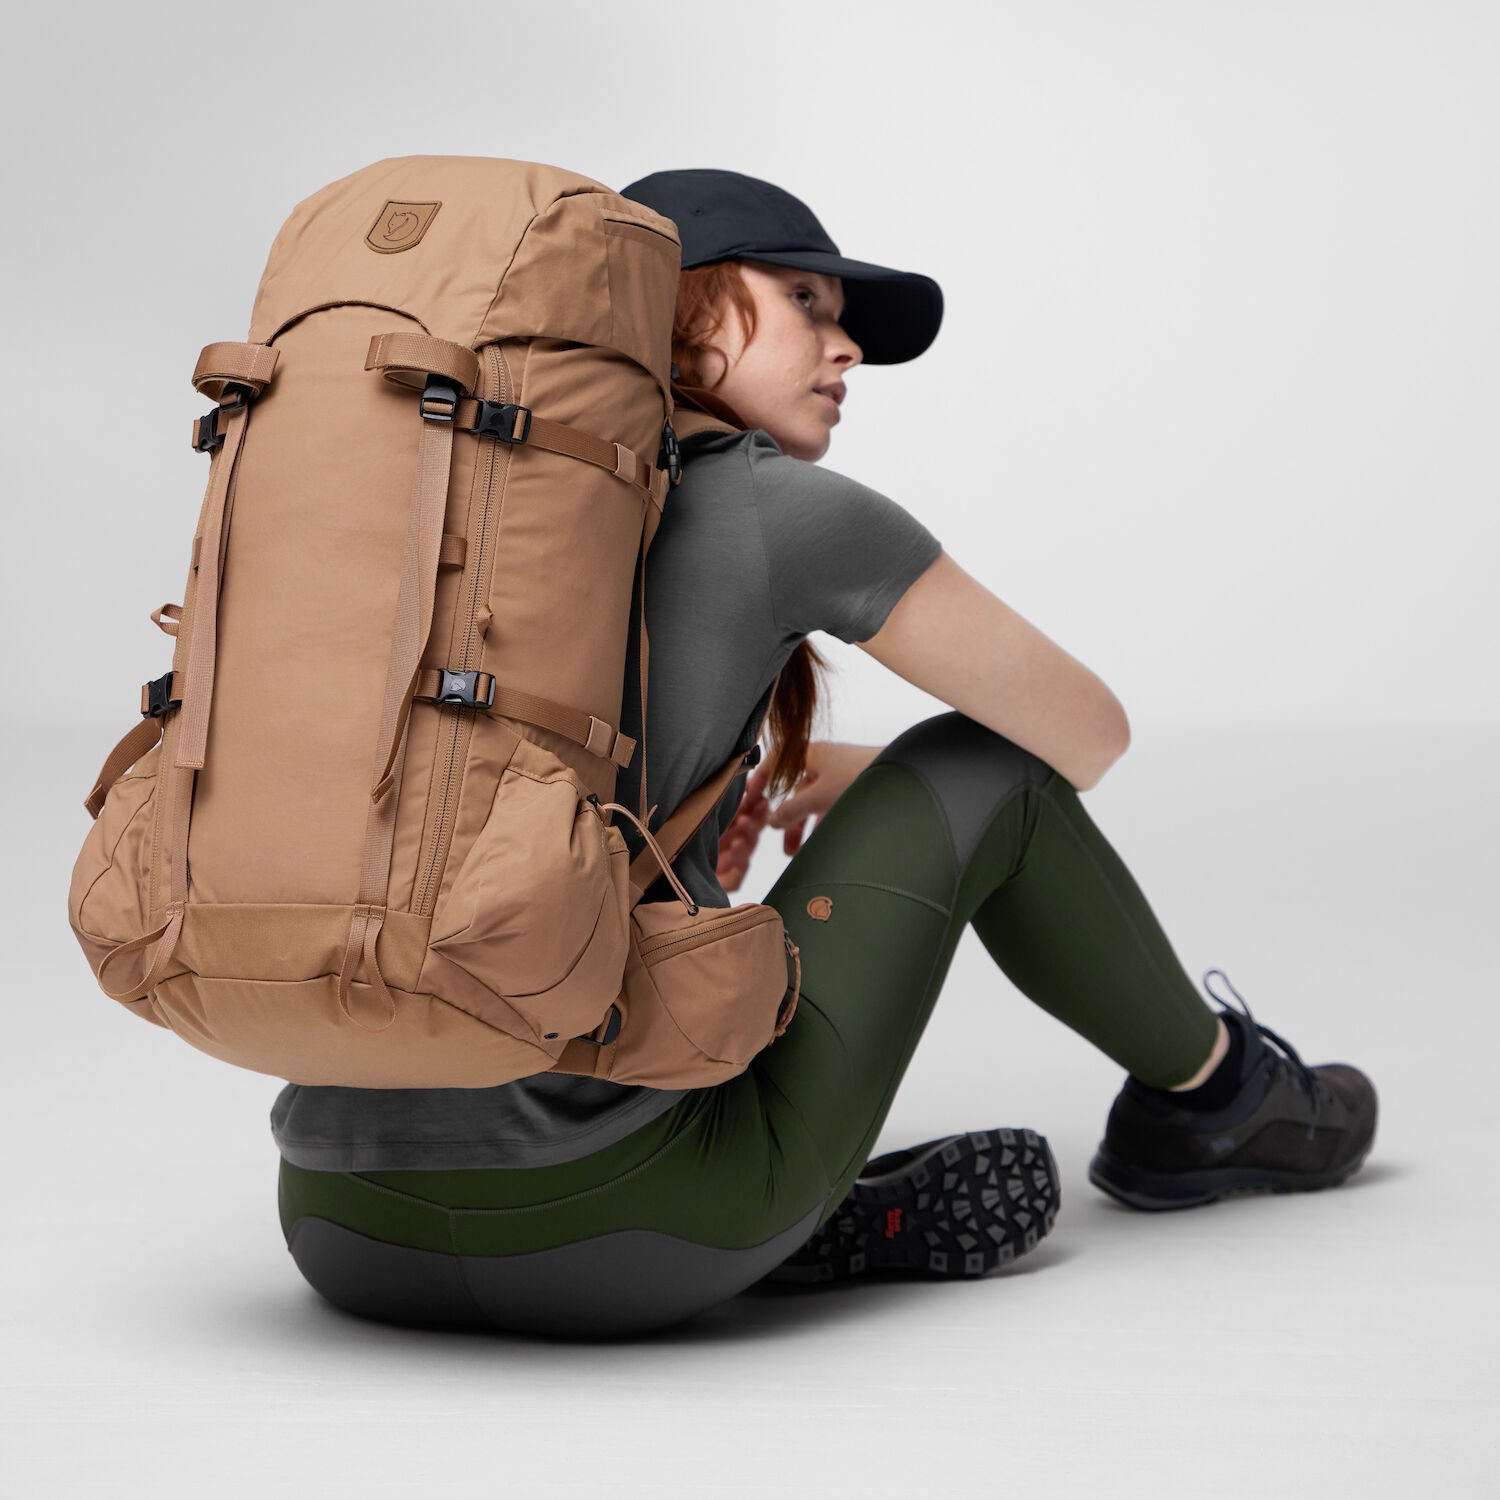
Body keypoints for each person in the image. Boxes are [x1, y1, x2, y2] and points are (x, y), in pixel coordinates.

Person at [273, 169, 1377, 1338]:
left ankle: (785, 1218)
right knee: (984, 769)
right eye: (806, 300)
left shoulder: (442, 510)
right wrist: (898, 777)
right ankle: (1217, 1102)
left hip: (340, 1227)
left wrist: (798, 776)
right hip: (620, 1234)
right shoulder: (777, 511)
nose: (846, 347)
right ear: (679, 300)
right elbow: (1086, 733)